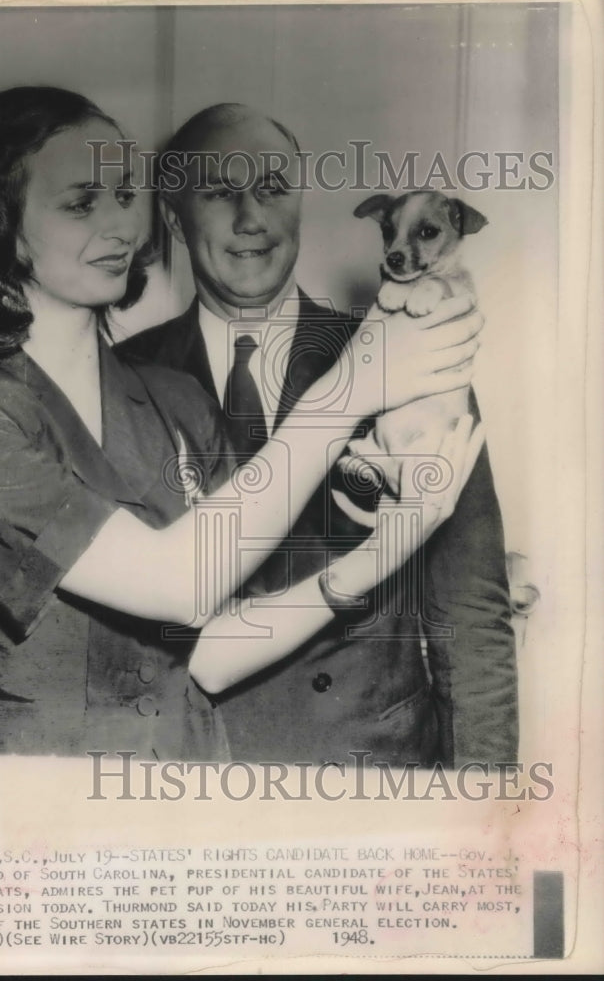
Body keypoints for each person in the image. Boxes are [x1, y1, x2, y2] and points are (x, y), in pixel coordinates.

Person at [0, 87, 482, 759]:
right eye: (82, 202)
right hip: (33, 799)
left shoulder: (176, 400)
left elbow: (214, 653)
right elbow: (176, 584)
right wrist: (353, 385)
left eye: (124, 195)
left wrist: (392, 544)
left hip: (186, 782)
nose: (122, 227)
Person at [115, 103, 518, 768]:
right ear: (173, 217)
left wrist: (484, 805)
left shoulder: (409, 346)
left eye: (273, 189)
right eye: (219, 192)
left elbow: (472, 612)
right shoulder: (124, 375)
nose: (251, 218)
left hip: (371, 770)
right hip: (193, 778)